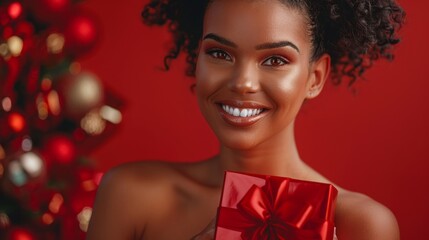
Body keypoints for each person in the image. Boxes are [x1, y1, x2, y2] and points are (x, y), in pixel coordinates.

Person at [86, 0, 405, 239]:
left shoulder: (361, 224)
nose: (242, 82)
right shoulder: (131, 195)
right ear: (197, 59)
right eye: (220, 54)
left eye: (275, 60)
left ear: (315, 77)